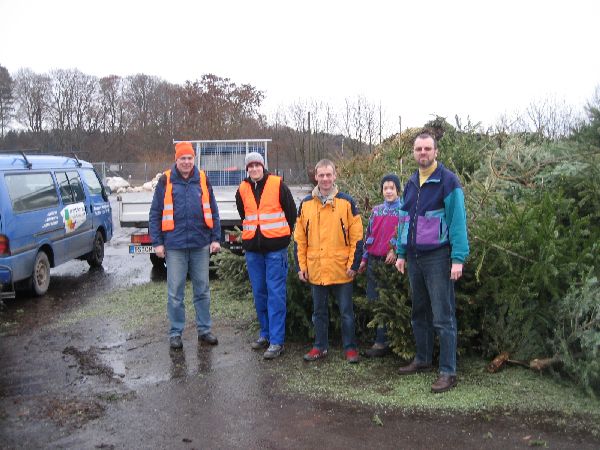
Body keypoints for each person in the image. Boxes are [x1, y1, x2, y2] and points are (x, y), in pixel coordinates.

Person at [394, 132, 469, 393]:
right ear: (413, 153)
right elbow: (404, 219)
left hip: (438, 256)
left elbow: (458, 222)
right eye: (418, 149)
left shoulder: (448, 182)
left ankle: (448, 371)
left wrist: (458, 259)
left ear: (436, 152)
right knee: (419, 312)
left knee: (443, 316)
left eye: (427, 148)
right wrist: (401, 252)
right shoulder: (412, 181)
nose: (423, 153)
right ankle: (423, 359)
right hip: (414, 256)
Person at [149, 141, 221, 350]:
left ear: (194, 159)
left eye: (190, 158)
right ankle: (175, 333)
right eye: (183, 158)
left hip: (200, 245)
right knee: (175, 293)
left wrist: (215, 238)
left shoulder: (203, 179)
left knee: (203, 290)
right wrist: (158, 243)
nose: (187, 162)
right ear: (176, 160)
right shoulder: (166, 180)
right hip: (175, 246)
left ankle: (204, 330)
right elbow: (155, 213)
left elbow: (213, 211)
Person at [294, 159, 363, 364]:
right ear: (316, 177)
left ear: (335, 176)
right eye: (321, 175)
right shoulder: (306, 204)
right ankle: (320, 346)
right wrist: (301, 266)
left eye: (328, 174)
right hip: (316, 268)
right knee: (319, 312)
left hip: (341, 269)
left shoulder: (347, 202)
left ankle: (350, 348)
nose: (325, 179)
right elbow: (300, 239)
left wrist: (353, 264)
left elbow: (357, 238)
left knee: (346, 313)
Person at [235, 152, 297, 359]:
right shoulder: (242, 189)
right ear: (247, 169)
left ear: (263, 166)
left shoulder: (278, 185)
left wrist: (279, 237)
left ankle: (277, 341)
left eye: (257, 165)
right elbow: (244, 214)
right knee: (259, 293)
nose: (254, 169)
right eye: (250, 166)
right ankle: (265, 334)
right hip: (253, 250)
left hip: (275, 250)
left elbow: (291, 213)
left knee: (276, 294)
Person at [357, 173, 403, 357]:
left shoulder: (403, 211)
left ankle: (384, 342)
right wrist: (364, 258)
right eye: (386, 188)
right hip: (373, 261)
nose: (389, 191)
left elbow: (405, 234)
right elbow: (369, 236)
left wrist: (395, 249)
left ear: (398, 190)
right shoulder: (376, 211)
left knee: (388, 302)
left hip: (390, 263)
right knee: (374, 300)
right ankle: (379, 337)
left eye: (392, 188)